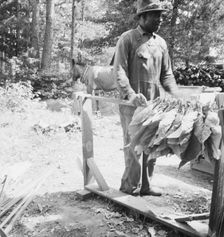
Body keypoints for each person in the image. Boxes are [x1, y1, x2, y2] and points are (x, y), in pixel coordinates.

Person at [113, 0, 179, 196]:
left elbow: (167, 74)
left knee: (152, 145)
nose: (159, 19)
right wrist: (130, 94)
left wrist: (177, 95)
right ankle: (129, 187)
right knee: (133, 147)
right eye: (154, 15)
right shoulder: (128, 39)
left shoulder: (161, 43)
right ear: (141, 17)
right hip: (133, 106)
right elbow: (119, 71)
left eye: (160, 15)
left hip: (155, 106)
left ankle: (146, 185)